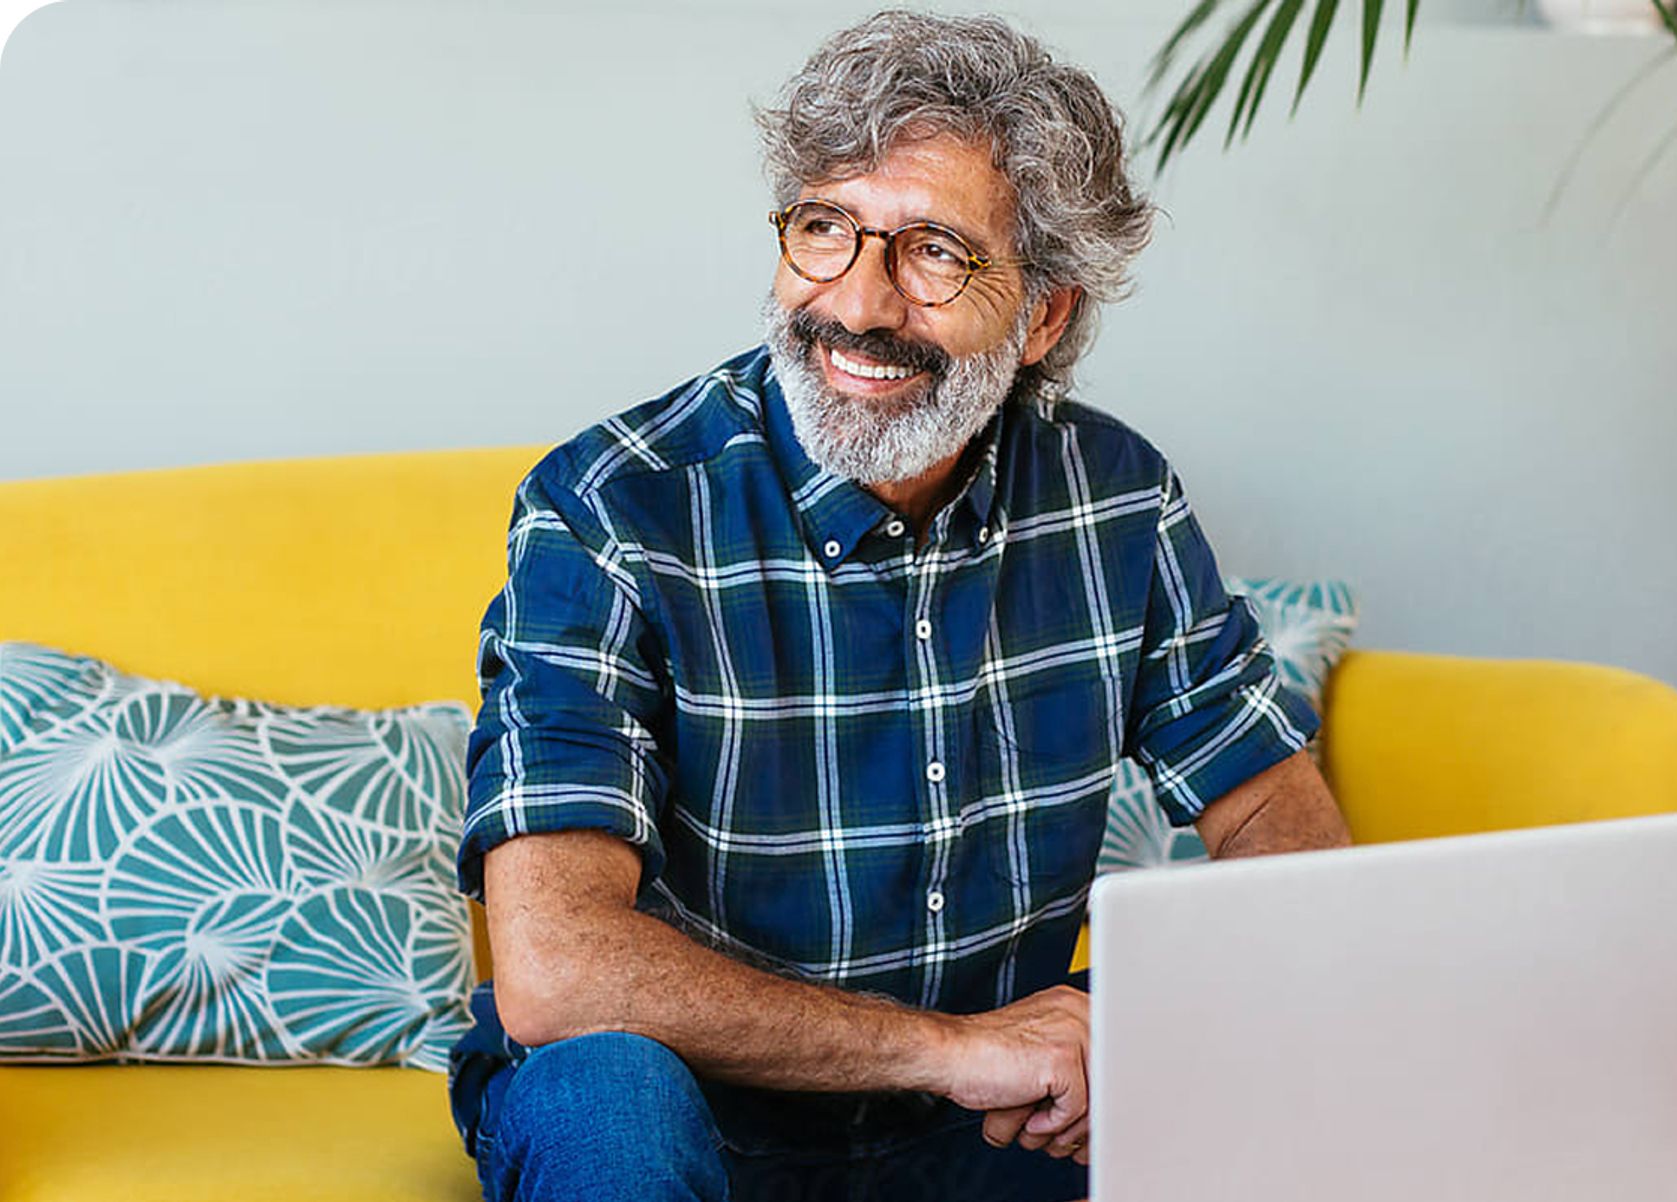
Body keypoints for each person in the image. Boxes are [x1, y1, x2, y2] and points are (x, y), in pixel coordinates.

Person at [447, 10, 1351, 1201]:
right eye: (826, 230)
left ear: (1042, 316)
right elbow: (557, 968)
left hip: (986, 1132)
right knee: (604, 1094)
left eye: (933, 252)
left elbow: (1276, 823)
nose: (860, 305)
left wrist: (1144, 1030)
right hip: (695, 1114)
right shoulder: (610, 507)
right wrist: (957, 1049)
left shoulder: (1113, 497)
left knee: (1270, 1092)